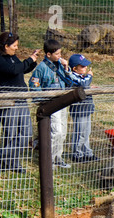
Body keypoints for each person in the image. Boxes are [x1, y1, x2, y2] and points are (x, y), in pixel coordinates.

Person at [0, 31, 40, 174]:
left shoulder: (13, 57)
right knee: (10, 133)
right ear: (6, 46)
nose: (16, 48)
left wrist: (33, 60)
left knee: (26, 133)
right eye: (14, 46)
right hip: (8, 100)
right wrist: (29, 60)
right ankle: (11, 163)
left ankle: (3, 156)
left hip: (21, 99)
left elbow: (22, 69)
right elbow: (14, 70)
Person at [29, 39, 73, 169]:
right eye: (57, 54)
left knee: (63, 132)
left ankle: (58, 157)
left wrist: (66, 68)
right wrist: (42, 101)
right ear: (48, 54)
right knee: (56, 132)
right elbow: (34, 85)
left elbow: (69, 81)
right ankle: (49, 160)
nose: (60, 56)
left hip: (63, 101)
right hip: (51, 104)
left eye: (60, 53)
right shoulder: (41, 68)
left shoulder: (60, 65)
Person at [68, 54, 97, 163]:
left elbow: (85, 85)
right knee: (79, 132)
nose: (85, 68)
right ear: (74, 68)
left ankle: (87, 152)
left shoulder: (83, 77)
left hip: (86, 108)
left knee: (86, 132)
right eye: (82, 66)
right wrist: (90, 76)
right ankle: (77, 154)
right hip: (79, 109)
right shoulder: (72, 76)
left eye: (86, 66)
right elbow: (83, 84)